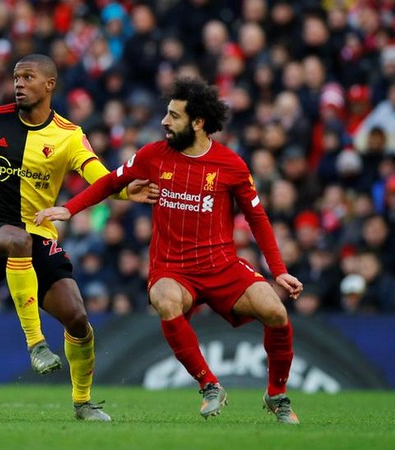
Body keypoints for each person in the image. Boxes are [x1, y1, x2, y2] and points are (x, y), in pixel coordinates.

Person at [35, 78, 304, 424]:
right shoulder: (152, 156)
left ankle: (277, 395)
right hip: (172, 268)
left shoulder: (231, 165)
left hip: (221, 265)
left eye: (174, 116)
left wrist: (278, 269)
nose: (164, 121)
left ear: (198, 122)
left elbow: (258, 217)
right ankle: (209, 385)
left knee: (276, 312)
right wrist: (69, 209)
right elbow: (110, 182)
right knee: (164, 299)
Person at [0, 54, 157, 421]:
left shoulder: (69, 136)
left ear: (49, 85)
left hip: (37, 232)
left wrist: (123, 191)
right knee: (18, 241)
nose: (19, 84)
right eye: (15, 77)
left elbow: (98, 176)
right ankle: (36, 344)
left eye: (27, 77)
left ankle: (82, 402)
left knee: (78, 319)